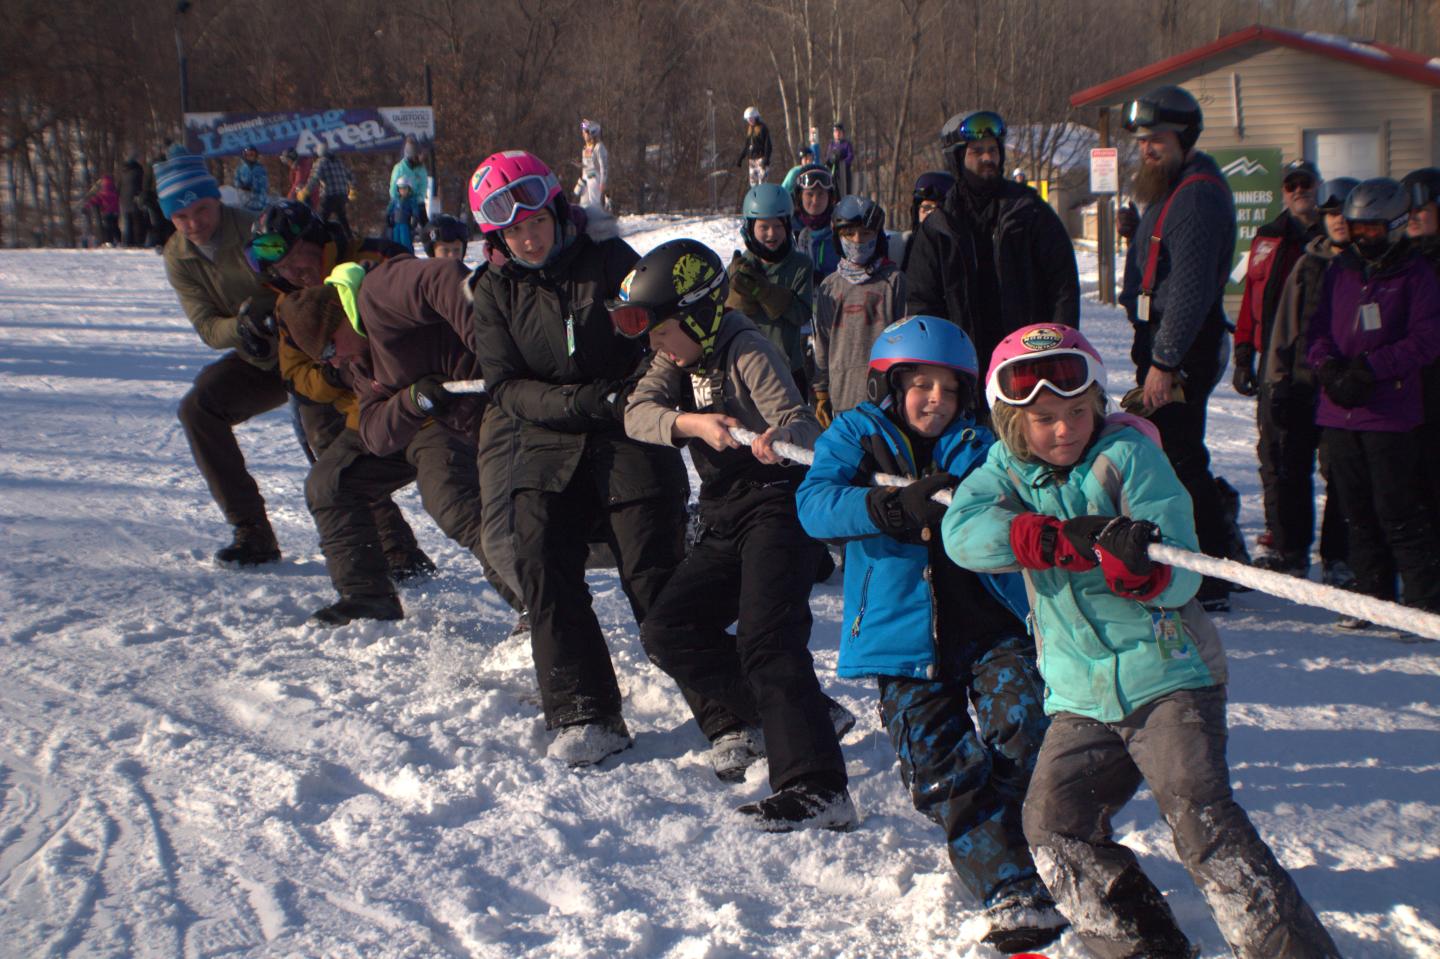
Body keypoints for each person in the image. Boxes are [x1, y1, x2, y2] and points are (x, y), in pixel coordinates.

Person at [946, 323, 1342, 959]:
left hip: (1170, 678)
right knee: (1051, 826)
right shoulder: (1004, 470)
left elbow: (1183, 566)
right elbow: (962, 532)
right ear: (1013, 422)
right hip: (1081, 696)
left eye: (1077, 411)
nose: (1063, 430)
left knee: (1199, 815)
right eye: (1044, 418)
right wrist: (1042, 538)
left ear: (1098, 403)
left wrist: (1142, 568)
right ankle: (1140, 946)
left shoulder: (1129, 456)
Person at [796, 317, 1062, 952]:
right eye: (919, 385)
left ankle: (1009, 841)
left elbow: (1036, 485)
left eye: (947, 388)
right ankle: (1008, 885)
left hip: (992, 628)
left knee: (1025, 730)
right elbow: (813, 504)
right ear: (892, 385)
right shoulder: (858, 435)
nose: (933, 400)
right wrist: (886, 507)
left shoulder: (981, 443)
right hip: (901, 642)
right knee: (941, 767)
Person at [468, 151, 710, 767]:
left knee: (652, 570)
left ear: (556, 210)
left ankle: (732, 711)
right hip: (549, 441)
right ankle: (583, 708)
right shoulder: (493, 291)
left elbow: (662, 327)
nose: (529, 236)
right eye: (514, 229)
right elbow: (504, 384)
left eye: (537, 221)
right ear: (498, 235)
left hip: (630, 428)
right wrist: (581, 400)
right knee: (542, 560)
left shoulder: (608, 260)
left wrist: (640, 394)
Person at [617, 239, 855, 830]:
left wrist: (775, 437)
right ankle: (807, 717)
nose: (656, 346)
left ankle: (817, 785)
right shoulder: (674, 362)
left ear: (697, 314)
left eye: (663, 331)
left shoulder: (746, 349)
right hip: (724, 513)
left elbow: (801, 423)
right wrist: (691, 423)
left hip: (779, 507)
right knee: (669, 629)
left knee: (767, 639)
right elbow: (635, 414)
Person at [274, 258, 529, 626]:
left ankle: (535, 606)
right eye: (325, 360)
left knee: (452, 502)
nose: (335, 362)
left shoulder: (379, 293)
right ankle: (367, 596)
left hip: (459, 415)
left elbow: (443, 277)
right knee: (329, 483)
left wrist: (488, 349)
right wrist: (411, 400)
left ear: (340, 321)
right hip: (418, 416)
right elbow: (375, 434)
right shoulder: (359, 363)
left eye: (330, 351)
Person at [1116, 85, 1239, 612]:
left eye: (1158, 139)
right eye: (1142, 140)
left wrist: (1165, 363)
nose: (1147, 149)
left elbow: (1189, 290)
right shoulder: (1173, 190)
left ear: (1185, 138)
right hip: (1165, 341)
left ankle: (1211, 572)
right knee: (1175, 452)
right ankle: (1221, 557)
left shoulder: (1197, 196)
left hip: (1182, 346)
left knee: (1180, 458)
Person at [1307, 178, 1440, 626]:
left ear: (1397, 226)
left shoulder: (1416, 275)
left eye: (1374, 230)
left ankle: (1423, 604)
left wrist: (1371, 368)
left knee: (1396, 508)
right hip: (1339, 410)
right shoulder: (1340, 270)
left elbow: (1425, 339)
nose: (1364, 238)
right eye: (1358, 229)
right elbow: (1317, 329)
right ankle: (1372, 597)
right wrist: (1327, 367)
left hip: (1389, 412)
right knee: (1353, 508)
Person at [905, 109, 1079, 376]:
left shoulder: (1030, 213)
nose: (988, 158)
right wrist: (938, 367)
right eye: (977, 151)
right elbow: (922, 303)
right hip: (962, 371)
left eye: (993, 150)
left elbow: (1063, 288)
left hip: (1027, 366)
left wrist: (1056, 352)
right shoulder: (938, 229)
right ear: (957, 158)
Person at [1264, 176, 1358, 588]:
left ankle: (1338, 553)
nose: (1338, 220)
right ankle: (1294, 551)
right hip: (1303, 386)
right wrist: (1277, 380)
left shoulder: (1368, 265)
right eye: (1331, 212)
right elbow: (1285, 326)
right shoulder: (1310, 263)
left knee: (1340, 475)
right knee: (1292, 472)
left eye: (1344, 212)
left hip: (1348, 392)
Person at [1235, 159, 1325, 572]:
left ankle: (1340, 550)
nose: (1299, 191)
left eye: (1306, 184)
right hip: (1274, 364)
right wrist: (1242, 352)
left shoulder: (1333, 237)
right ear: (1283, 191)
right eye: (1292, 185)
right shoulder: (1269, 238)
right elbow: (1252, 298)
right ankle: (1282, 539)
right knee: (1276, 457)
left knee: (1331, 464)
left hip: (1323, 367)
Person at [812, 195, 906, 424]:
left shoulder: (893, 281)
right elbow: (822, 343)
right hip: (842, 396)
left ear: (878, 236)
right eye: (849, 234)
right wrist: (821, 390)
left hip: (885, 399)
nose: (858, 241)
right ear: (838, 238)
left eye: (866, 234)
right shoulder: (830, 287)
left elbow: (905, 339)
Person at [726, 183, 814, 392]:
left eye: (777, 226)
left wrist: (764, 292)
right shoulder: (740, 268)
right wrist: (736, 296)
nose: (771, 234)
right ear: (749, 228)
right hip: (748, 369)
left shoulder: (800, 265)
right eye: (763, 227)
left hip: (789, 370)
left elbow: (801, 314)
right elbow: (728, 320)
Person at [1401, 166, 1440, 519]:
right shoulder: (1398, 261)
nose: (1413, 217)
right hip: (1405, 393)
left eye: (1422, 209)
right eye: (1408, 210)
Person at [790, 163, 840, 285]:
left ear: (830, 197)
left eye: (821, 194)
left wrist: (824, 278)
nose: (815, 201)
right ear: (799, 196)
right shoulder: (787, 232)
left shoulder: (841, 231)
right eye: (809, 194)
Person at [898, 170, 954, 272]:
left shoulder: (959, 248)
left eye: (936, 210)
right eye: (926, 208)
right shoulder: (904, 247)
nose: (930, 216)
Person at [301, 143, 357, 236]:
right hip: (342, 195)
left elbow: (315, 178)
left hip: (329, 195)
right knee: (342, 217)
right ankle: (350, 238)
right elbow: (351, 176)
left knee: (321, 219)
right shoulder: (338, 161)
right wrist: (352, 189)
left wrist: (306, 191)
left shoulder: (321, 162)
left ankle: (318, 240)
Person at [388, 135, 429, 219]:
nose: (422, 159)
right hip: (402, 204)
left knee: (425, 223)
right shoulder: (399, 169)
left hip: (416, 203)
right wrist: (399, 200)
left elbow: (423, 187)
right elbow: (393, 189)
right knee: (398, 224)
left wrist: (417, 200)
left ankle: (426, 230)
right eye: (418, 156)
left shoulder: (421, 170)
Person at [576, 119, 609, 209]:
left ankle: (598, 220)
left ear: (591, 133)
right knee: (583, 205)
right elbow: (586, 165)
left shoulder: (599, 147)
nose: (583, 134)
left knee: (595, 204)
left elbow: (604, 166)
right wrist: (580, 165)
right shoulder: (585, 148)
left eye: (585, 132)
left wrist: (603, 182)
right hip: (585, 180)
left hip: (594, 179)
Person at [735, 106, 773, 187]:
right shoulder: (750, 129)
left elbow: (768, 145)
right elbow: (747, 146)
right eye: (748, 119)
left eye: (751, 118)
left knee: (762, 182)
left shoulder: (762, 128)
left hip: (761, 158)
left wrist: (766, 159)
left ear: (756, 117)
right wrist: (740, 158)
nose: (750, 121)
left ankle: (762, 198)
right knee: (753, 184)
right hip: (752, 160)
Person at [84, 172, 121, 246]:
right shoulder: (115, 192)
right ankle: (119, 240)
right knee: (115, 226)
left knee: (108, 227)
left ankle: (109, 241)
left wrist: (86, 206)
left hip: (107, 212)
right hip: (115, 212)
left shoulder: (102, 193)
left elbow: (94, 200)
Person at [386, 177, 421, 249]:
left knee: (405, 242)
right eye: (400, 189)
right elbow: (389, 209)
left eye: (405, 189)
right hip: (395, 225)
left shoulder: (411, 200)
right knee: (395, 242)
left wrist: (414, 220)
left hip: (405, 225)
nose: (403, 191)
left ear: (409, 189)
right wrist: (387, 217)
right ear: (398, 190)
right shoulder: (395, 200)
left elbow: (415, 211)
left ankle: (408, 255)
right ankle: (396, 255)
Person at [120, 156, 147, 247]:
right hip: (135, 200)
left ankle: (127, 242)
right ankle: (139, 241)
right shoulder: (139, 173)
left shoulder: (123, 174)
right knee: (137, 222)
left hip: (125, 201)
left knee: (128, 223)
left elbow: (119, 187)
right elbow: (143, 185)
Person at [234, 146, 269, 213]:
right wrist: (241, 186)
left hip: (258, 201)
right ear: (244, 156)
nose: (250, 157)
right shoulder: (240, 168)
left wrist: (253, 187)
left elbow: (264, 184)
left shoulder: (260, 168)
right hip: (244, 200)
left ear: (256, 156)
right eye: (248, 155)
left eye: (252, 155)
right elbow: (236, 180)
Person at [825, 122, 854, 196]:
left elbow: (850, 156)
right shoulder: (831, 145)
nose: (837, 134)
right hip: (834, 173)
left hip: (844, 173)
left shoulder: (846, 144)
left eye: (839, 132)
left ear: (842, 133)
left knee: (845, 191)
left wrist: (843, 163)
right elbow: (828, 157)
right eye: (835, 132)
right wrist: (831, 161)